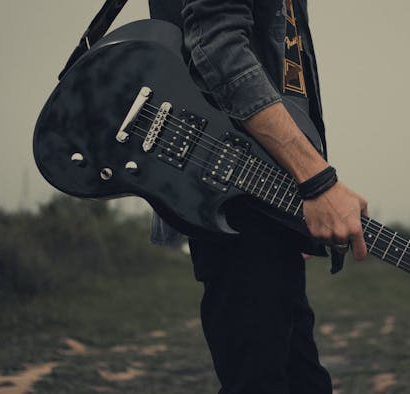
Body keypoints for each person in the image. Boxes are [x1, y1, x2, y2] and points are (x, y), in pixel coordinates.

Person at [149, 1, 369, 392]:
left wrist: (299, 198)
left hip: (271, 193)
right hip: (232, 186)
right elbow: (217, 46)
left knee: (300, 381)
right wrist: (315, 182)